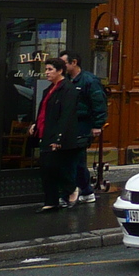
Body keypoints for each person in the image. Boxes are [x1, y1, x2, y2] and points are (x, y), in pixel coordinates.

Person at [34, 59, 82, 212]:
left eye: (50, 69)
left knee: (54, 166)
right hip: (46, 132)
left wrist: (58, 138)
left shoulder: (68, 89)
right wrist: (36, 125)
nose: (46, 72)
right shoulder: (49, 89)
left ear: (60, 71)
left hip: (59, 136)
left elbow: (66, 115)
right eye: (46, 69)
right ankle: (51, 201)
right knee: (46, 168)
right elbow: (43, 111)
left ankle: (72, 189)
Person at [59, 52, 105, 201]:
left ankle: (77, 191)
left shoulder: (89, 81)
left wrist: (97, 124)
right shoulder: (65, 80)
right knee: (74, 159)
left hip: (82, 123)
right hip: (69, 124)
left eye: (64, 63)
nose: (61, 67)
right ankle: (84, 190)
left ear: (74, 62)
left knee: (76, 158)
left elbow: (99, 102)